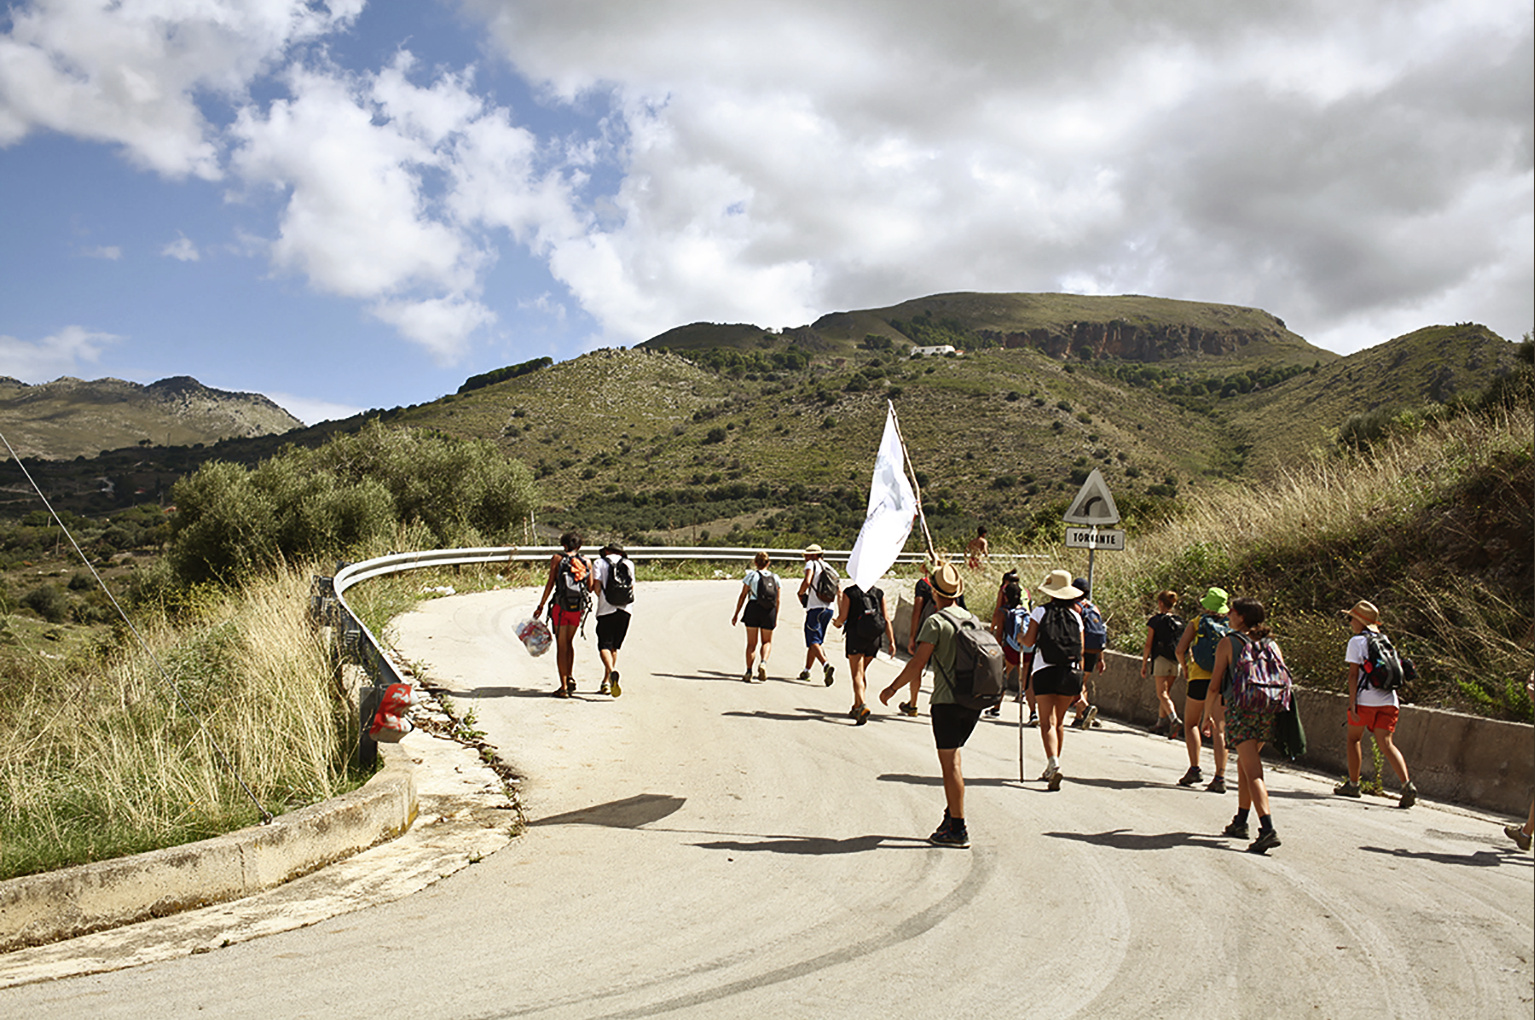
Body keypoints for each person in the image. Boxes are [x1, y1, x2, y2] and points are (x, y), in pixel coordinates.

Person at [878, 562, 978, 847]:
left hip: (946, 702)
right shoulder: (970, 619)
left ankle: (958, 829)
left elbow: (918, 664)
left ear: (933, 592)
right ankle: (951, 815)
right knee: (955, 761)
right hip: (972, 701)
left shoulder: (935, 621)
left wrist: (892, 688)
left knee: (951, 766)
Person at [1212, 596, 1284, 854]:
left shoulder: (1228, 643)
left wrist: (1209, 715)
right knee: (1244, 764)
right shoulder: (1271, 644)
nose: (1228, 614)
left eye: (1232, 611)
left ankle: (1267, 829)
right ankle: (1241, 821)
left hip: (1241, 711)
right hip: (1265, 709)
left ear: (1241, 617)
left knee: (1253, 771)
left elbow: (1215, 683)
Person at [1333, 600, 1418, 808]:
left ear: (1360, 621)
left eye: (1351, 618)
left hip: (1365, 700)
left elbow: (1353, 675)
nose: (1350, 621)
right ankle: (1407, 785)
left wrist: (1353, 703)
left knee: (1354, 739)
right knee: (1386, 743)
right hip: (1390, 700)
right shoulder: (1384, 639)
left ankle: (1353, 784)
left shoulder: (1356, 642)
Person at [1020, 569, 1085, 791]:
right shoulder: (1076, 615)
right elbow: (1081, 651)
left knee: (1046, 721)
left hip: (1044, 671)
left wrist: (1020, 636)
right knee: (1059, 722)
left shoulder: (1040, 612)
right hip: (1070, 672)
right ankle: (1054, 762)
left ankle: (1052, 763)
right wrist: (1082, 684)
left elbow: (1028, 642)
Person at [1174, 587, 1231, 793]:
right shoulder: (1232, 625)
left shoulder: (1197, 622)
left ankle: (1195, 768)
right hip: (1222, 681)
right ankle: (1220, 776)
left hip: (1199, 678)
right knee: (1219, 729)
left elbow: (1180, 649)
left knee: (1191, 723)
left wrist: (1187, 668)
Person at [534, 532, 589, 697]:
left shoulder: (557, 559)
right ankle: (570, 675)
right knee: (570, 643)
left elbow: (551, 582)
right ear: (579, 546)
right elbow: (591, 586)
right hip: (577, 609)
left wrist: (541, 605)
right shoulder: (586, 561)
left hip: (560, 607)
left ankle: (563, 687)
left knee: (561, 645)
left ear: (564, 545)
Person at [831, 581, 894, 725]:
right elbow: (887, 619)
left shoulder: (850, 592)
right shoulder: (878, 593)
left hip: (856, 637)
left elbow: (843, 617)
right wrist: (891, 641)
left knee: (857, 674)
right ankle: (856, 704)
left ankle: (862, 705)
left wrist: (836, 623)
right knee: (861, 672)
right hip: (874, 639)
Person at [591, 544, 635, 697]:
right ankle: (606, 682)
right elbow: (632, 587)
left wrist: (602, 598)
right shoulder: (628, 563)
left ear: (608, 551)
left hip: (605, 609)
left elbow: (596, 586)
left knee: (604, 644)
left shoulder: (599, 562)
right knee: (614, 647)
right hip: (625, 609)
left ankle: (611, 672)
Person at [731, 551, 779, 682]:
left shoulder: (751, 576)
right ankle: (763, 662)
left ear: (755, 563)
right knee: (767, 641)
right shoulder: (775, 578)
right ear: (768, 563)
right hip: (769, 610)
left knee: (751, 643)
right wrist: (775, 615)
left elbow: (742, 595)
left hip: (753, 607)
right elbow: (777, 599)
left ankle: (748, 671)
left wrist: (736, 613)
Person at [1141, 590, 1184, 735]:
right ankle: (1160, 724)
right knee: (1166, 693)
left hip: (1161, 660)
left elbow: (1148, 644)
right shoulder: (1180, 621)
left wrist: (1144, 663)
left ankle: (1174, 719)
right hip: (1175, 661)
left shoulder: (1156, 620)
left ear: (1160, 603)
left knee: (1161, 694)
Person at [797, 544, 836, 685]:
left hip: (815, 607)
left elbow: (807, 581)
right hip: (829, 608)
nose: (805, 558)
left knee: (812, 640)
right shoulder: (829, 567)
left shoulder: (811, 564)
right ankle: (807, 670)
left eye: (807, 555)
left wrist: (800, 593)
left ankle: (826, 665)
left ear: (814, 555)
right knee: (816, 642)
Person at [989, 570, 1026, 718]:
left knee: (1004, 675)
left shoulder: (1004, 592)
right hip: (1025, 643)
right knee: (1025, 677)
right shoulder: (1024, 591)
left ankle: (996, 707)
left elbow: (998, 613)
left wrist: (993, 629)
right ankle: (1032, 713)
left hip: (1010, 644)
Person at [1069, 576, 1105, 729]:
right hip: (1095, 651)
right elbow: (1101, 630)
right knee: (1082, 682)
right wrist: (1101, 658)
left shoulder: (1075, 607)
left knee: (1078, 682)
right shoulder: (1094, 607)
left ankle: (1085, 709)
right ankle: (1079, 717)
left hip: (1081, 650)